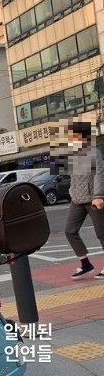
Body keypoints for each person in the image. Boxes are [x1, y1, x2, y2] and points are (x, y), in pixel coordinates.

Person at [59, 120, 104, 279]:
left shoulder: (93, 152)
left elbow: (99, 175)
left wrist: (99, 196)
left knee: (102, 233)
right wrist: (72, 193)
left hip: (93, 199)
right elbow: (73, 178)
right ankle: (86, 264)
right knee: (69, 231)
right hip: (77, 199)